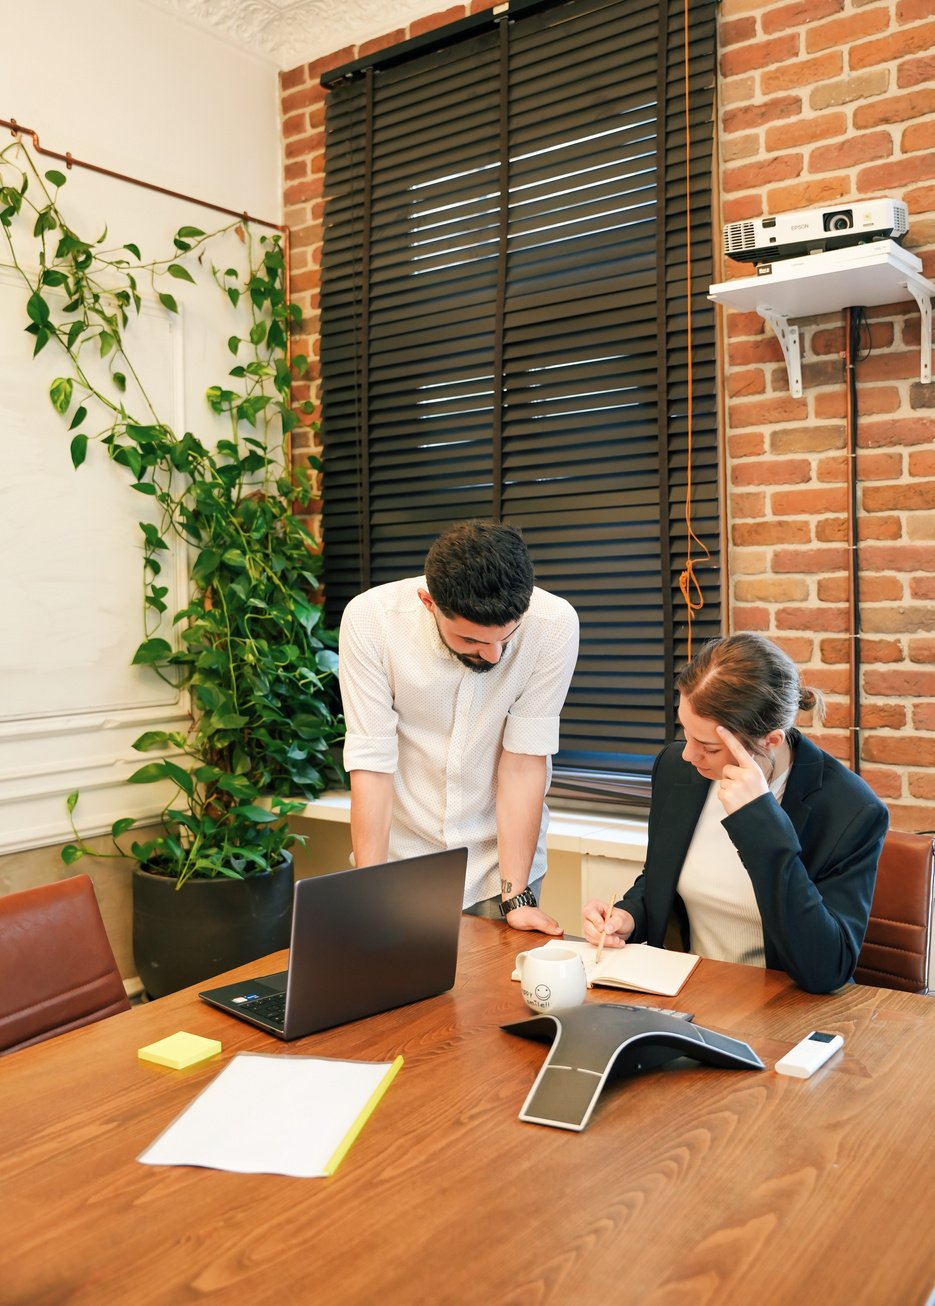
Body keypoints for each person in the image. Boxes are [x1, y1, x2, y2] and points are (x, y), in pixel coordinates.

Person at [583, 633, 888, 993]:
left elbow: (826, 969)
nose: (688, 754)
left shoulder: (852, 810)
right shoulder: (677, 769)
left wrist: (761, 823)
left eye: (708, 747)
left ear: (770, 741)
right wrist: (629, 915)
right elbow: (660, 879)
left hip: (783, 1009)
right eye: (686, 733)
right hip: (687, 992)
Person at [338, 520, 579, 932]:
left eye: (507, 636)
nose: (493, 654)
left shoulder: (554, 624)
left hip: (498, 868)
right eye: (471, 641)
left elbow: (523, 763)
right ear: (428, 602)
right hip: (400, 864)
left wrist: (516, 894)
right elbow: (372, 766)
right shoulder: (371, 621)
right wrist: (368, 892)